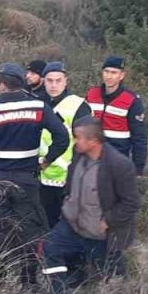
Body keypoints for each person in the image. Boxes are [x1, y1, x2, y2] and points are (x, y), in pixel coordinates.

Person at [0, 63, 69, 284]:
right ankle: (28, 279)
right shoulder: (40, 108)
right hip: (27, 180)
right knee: (30, 232)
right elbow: (62, 137)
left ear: (0, 85)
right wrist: (46, 161)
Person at [40, 117, 142, 294]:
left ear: (93, 140)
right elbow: (71, 184)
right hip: (71, 225)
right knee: (50, 250)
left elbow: (132, 203)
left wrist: (108, 221)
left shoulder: (119, 165)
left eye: (78, 137)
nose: (74, 141)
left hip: (100, 233)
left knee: (115, 276)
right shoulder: (78, 155)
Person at [36, 62, 91, 227]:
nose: (53, 85)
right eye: (49, 80)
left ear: (66, 81)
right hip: (42, 177)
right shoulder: (38, 103)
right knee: (45, 224)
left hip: (68, 178)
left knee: (69, 226)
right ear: (43, 81)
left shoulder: (79, 106)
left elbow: (87, 144)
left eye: (58, 80)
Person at [86, 56, 148, 176]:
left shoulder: (131, 100)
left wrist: (137, 169)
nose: (109, 76)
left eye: (114, 73)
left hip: (117, 160)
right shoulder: (92, 94)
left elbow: (139, 138)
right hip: (91, 158)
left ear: (122, 75)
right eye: (106, 72)